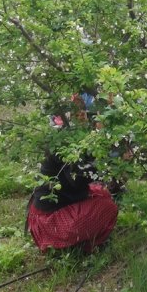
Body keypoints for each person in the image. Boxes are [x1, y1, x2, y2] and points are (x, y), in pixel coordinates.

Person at [26, 93, 120, 254]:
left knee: (103, 195)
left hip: (62, 204)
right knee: (107, 207)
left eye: (83, 110)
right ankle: (77, 248)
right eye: (76, 113)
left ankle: (80, 241)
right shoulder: (63, 144)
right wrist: (102, 154)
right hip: (50, 219)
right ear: (66, 117)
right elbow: (77, 179)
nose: (82, 115)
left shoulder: (75, 137)